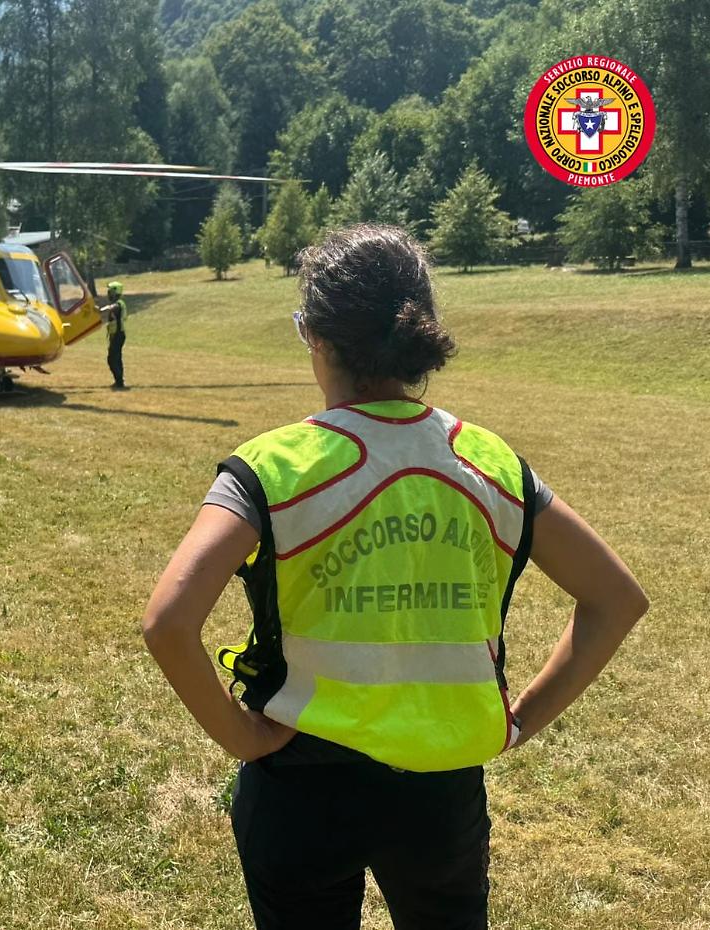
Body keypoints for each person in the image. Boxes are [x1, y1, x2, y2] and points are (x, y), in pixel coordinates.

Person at [142, 225, 648, 930]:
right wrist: (521, 719)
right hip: (442, 796)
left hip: (300, 790)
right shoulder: (492, 464)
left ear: (317, 337)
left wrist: (240, 736)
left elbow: (167, 621)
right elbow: (616, 599)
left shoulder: (272, 466)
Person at [98, 280, 128, 389]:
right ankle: (119, 381)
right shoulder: (117, 303)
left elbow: (113, 307)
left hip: (118, 335)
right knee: (116, 358)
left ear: (115, 292)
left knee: (112, 359)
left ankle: (119, 382)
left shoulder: (119, 303)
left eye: (110, 291)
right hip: (115, 335)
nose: (108, 294)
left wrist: (99, 310)